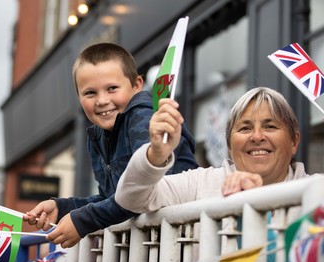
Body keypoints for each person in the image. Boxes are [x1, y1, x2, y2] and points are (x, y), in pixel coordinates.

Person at [23, 43, 199, 248]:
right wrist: (63, 207)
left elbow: (143, 193)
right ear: (79, 97)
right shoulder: (98, 135)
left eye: (112, 88)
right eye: (90, 93)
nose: (102, 100)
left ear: (137, 85)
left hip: (183, 240)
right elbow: (113, 198)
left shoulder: (143, 116)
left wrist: (83, 220)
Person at [116, 86, 309, 212]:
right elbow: (130, 199)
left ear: (294, 141)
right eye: (245, 128)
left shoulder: (316, 190)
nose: (257, 136)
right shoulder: (199, 184)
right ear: (230, 145)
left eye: (270, 126)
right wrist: (155, 154)